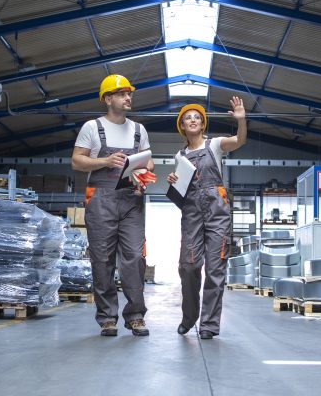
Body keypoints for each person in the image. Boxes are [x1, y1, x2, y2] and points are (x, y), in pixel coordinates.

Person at [71, 74, 156, 337]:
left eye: (129, 93)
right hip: (100, 199)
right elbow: (77, 161)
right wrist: (105, 162)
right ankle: (108, 317)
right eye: (122, 94)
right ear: (108, 99)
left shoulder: (139, 130)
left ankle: (136, 316)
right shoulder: (91, 127)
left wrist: (143, 177)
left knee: (134, 258)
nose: (128, 97)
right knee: (103, 260)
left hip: (131, 200)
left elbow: (149, 163)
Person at [166, 96, 247, 339]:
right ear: (182, 125)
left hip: (217, 214)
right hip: (191, 213)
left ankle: (209, 325)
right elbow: (181, 191)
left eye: (197, 118)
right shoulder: (179, 156)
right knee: (189, 267)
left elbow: (239, 141)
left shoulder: (215, 145)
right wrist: (173, 180)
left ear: (203, 125)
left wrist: (241, 121)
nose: (193, 120)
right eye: (188, 117)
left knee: (215, 270)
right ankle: (189, 317)